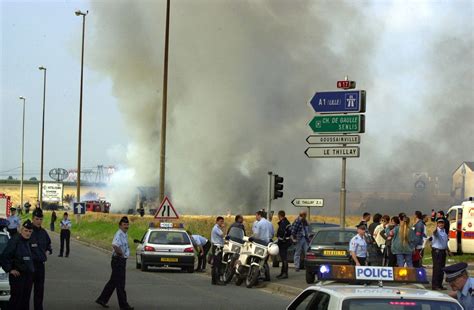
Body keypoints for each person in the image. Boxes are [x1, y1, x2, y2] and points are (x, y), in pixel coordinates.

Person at [96, 216, 134, 309]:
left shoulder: (125, 234)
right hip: (118, 260)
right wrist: (120, 254)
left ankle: (102, 299)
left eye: (127, 224)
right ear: (120, 226)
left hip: (120, 260)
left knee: (113, 282)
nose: (126, 226)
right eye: (124, 224)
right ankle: (124, 305)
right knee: (120, 284)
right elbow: (115, 245)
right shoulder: (119, 234)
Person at [0, 220, 35, 310]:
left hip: (28, 276)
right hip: (18, 276)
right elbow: (4, 256)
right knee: (16, 301)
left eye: (30, 231)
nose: (28, 233)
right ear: (21, 230)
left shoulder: (30, 241)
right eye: (26, 231)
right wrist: (10, 269)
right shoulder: (15, 240)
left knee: (25, 301)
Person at [30, 208, 52, 310]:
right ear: (33, 219)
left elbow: (48, 244)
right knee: (25, 291)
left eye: (40, 219)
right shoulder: (28, 231)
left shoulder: (43, 232)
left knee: (39, 291)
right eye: (37, 219)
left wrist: (47, 251)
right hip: (29, 266)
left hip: (40, 266)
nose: (39, 221)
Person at [430, 218, 451, 290]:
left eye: (442, 223)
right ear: (437, 224)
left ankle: (439, 285)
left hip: (443, 251)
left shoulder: (444, 231)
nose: (441, 224)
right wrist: (435, 229)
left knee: (442, 269)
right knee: (437, 269)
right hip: (437, 252)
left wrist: (448, 250)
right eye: (439, 223)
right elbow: (434, 233)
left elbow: (445, 242)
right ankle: (435, 285)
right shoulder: (437, 232)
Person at [210, 216, 225, 286]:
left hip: (218, 246)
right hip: (217, 247)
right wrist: (223, 227)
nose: (222, 223)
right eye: (221, 221)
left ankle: (214, 280)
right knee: (217, 264)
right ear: (217, 221)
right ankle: (217, 280)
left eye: (223, 221)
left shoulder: (217, 228)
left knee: (217, 263)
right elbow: (222, 235)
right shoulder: (216, 228)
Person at [276, 210, 291, 279]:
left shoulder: (284, 223)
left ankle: (285, 273)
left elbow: (283, 233)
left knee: (284, 258)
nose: (277, 217)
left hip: (283, 243)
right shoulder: (285, 222)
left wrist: (281, 238)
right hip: (284, 242)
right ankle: (282, 273)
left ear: (280, 216)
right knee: (283, 258)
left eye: (278, 215)